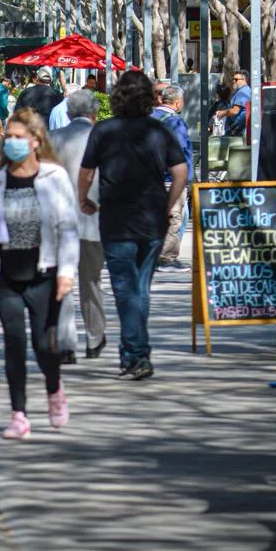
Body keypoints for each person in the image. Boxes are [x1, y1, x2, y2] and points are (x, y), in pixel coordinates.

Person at [78, 70, 187, 381]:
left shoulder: (103, 130)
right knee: (139, 289)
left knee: (126, 289)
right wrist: (169, 204)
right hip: (152, 216)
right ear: (148, 99)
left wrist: (83, 198)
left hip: (116, 218)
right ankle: (135, 353)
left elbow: (86, 172)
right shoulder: (159, 131)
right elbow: (180, 172)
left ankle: (136, 355)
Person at [0, 107, 80, 438]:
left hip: (43, 272)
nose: (12, 143)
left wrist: (66, 272)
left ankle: (54, 389)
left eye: (19, 138)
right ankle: (18, 414)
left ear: (36, 141)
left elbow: (68, 228)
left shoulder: (54, 177)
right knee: (14, 342)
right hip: (5, 273)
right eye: (8, 137)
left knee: (43, 344)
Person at [49, 89, 108, 359]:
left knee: (63, 282)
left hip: (60, 220)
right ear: (94, 113)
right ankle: (95, 338)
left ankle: (65, 343)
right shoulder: (103, 139)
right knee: (92, 281)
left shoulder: (54, 138)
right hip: (93, 220)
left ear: (70, 113)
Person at [152, 85, 192, 270]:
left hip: (150, 178)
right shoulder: (176, 122)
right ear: (177, 102)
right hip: (171, 179)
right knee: (174, 217)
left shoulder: (149, 118)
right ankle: (167, 258)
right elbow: (180, 150)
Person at [215, 69, 250, 137]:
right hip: (238, 128)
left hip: (237, 130)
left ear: (244, 80)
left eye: (236, 79)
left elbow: (235, 111)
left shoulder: (243, 92)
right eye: (233, 79)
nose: (233, 81)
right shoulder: (244, 90)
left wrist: (222, 113)